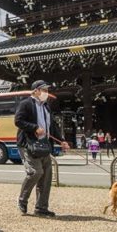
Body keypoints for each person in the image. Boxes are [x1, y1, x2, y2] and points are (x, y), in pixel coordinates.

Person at [14, 80, 69, 217]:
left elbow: (52, 127)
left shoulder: (46, 107)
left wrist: (62, 141)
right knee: (35, 172)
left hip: (45, 145)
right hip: (29, 144)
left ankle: (41, 208)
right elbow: (18, 121)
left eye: (47, 90)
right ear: (36, 91)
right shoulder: (25, 104)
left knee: (46, 176)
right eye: (44, 90)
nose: (46, 92)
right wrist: (34, 128)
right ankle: (22, 200)